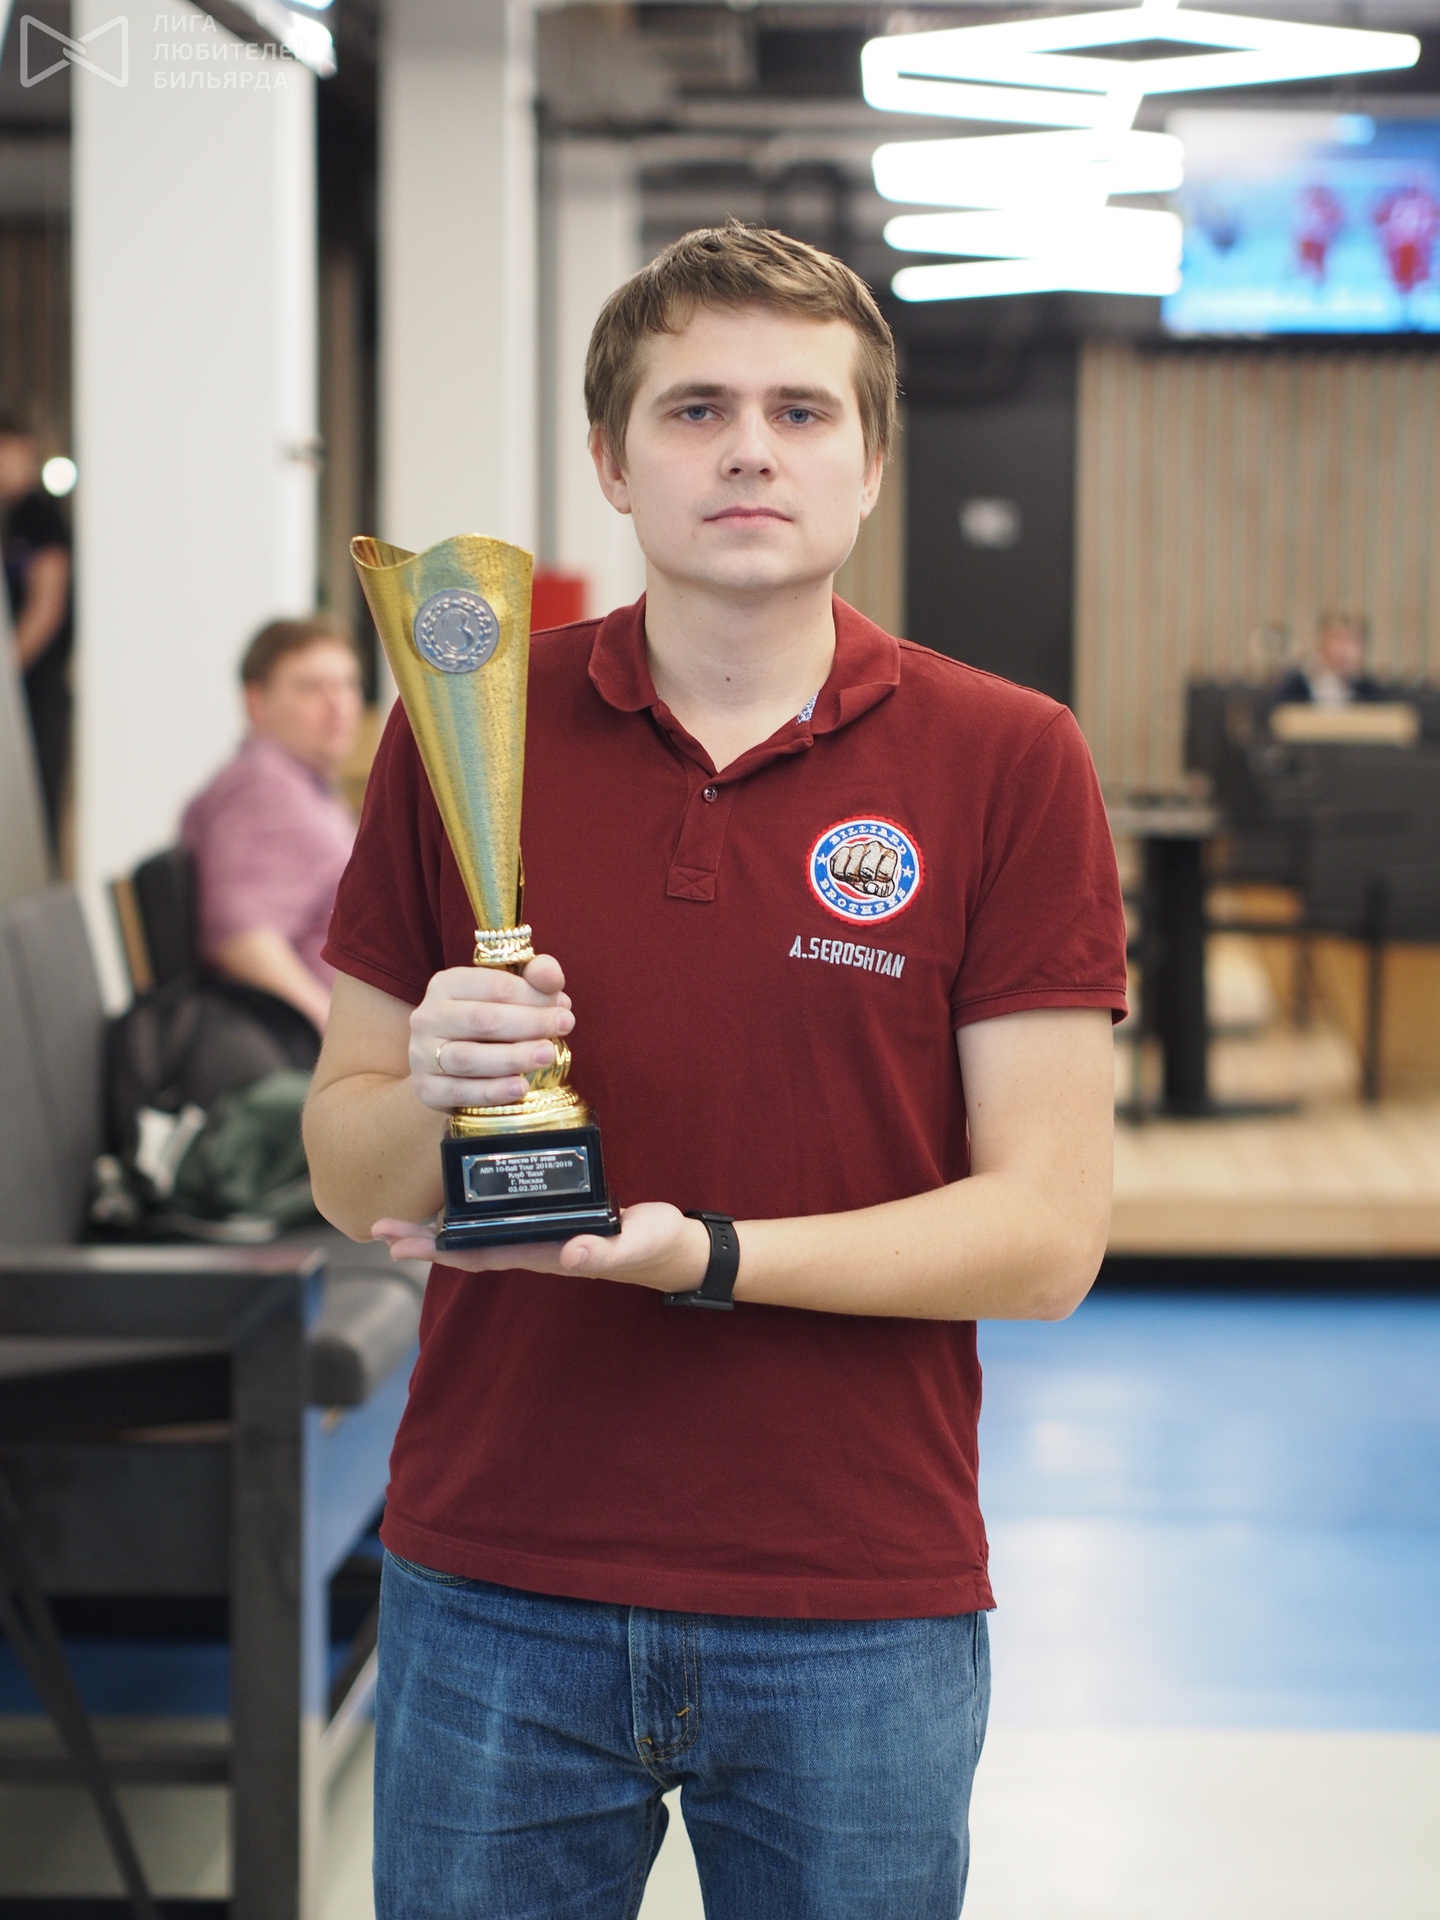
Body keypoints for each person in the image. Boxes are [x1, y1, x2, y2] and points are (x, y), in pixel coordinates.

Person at [304, 223, 1128, 1918]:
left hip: (857, 1597)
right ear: (611, 462)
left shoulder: (1010, 759)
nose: (751, 449)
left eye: (801, 411)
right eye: (695, 409)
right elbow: (344, 1168)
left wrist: (706, 1257)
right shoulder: (458, 721)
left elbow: (1048, 1238)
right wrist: (438, 1091)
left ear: (872, 465)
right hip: (495, 1577)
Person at [181, 614, 362, 1034]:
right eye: (311, 687)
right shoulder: (264, 787)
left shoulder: (305, 783)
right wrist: (335, 1034)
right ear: (256, 704)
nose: (338, 704)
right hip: (315, 1047)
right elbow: (242, 937)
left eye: (348, 684)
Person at [0, 416, 73, 851]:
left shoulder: (39, 516)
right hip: (16, 685)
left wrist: (6, 674)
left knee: (33, 813)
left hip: (37, 689)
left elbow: (47, 606)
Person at [1273, 611, 1384, 708]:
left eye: (1352, 640)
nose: (1343, 649)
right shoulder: (1292, 689)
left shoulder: (1374, 693)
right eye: (1337, 638)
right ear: (1320, 642)